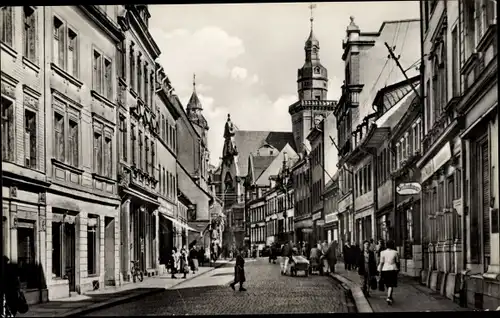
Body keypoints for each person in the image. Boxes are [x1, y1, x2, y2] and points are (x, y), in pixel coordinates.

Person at [378, 240, 400, 305]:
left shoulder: (382, 252)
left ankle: (390, 296)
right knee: (391, 284)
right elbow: (398, 261)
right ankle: (389, 297)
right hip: (393, 269)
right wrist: (398, 268)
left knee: (388, 284)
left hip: (384, 269)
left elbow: (381, 262)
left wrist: (379, 270)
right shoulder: (395, 252)